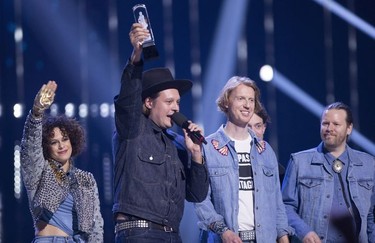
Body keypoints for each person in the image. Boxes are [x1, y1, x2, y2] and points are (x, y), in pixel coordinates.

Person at [112, 23, 209, 243]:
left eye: (178, 102)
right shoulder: (132, 128)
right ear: (148, 102)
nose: (176, 108)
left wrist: (196, 155)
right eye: (169, 101)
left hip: (172, 235)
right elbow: (128, 99)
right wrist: (136, 56)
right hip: (139, 233)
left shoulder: (177, 143)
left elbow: (197, 195)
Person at [194, 76, 293, 242]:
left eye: (251, 100)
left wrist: (283, 238)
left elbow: (277, 203)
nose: (247, 105)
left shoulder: (265, 151)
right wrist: (223, 231)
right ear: (226, 102)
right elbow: (201, 200)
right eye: (241, 99)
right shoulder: (208, 147)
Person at [20, 80, 104, 242]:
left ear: (72, 140)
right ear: (46, 146)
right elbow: (30, 148)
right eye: (54, 142)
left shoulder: (86, 179)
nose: (61, 145)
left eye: (64, 139)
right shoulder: (40, 172)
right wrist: (37, 113)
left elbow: (96, 225)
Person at [281, 102, 375, 242]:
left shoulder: (368, 163)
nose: (329, 128)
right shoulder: (299, 161)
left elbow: (371, 215)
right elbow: (285, 206)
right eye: (325, 123)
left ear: (349, 128)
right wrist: (304, 232)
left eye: (336, 124)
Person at [248, 107, 285, 182]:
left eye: (258, 126)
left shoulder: (277, 170)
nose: (253, 132)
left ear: (263, 128)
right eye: (248, 127)